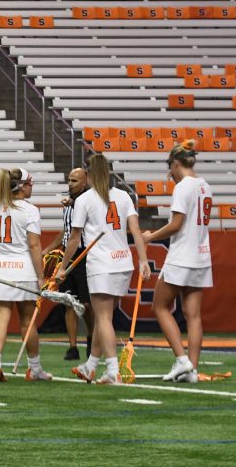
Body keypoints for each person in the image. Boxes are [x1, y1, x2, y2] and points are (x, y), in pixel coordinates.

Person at [57, 154, 150, 384]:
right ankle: (90, 366)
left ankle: (111, 370)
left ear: (88, 174)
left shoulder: (85, 200)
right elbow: (136, 231)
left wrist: (62, 267)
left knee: (103, 317)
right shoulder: (124, 196)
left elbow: (73, 238)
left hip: (101, 264)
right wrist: (143, 260)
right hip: (123, 263)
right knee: (102, 318)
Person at [142, 140, 212, 384]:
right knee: (193, 315)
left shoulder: (183, 187)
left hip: (182, 255)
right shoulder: (205, 186)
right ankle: (192, 368)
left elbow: (176, 224)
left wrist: (151, 236)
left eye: (170, 167)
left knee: (160, 307)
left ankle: (182, 360)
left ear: (176, 163)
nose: (169, 174)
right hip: (202, 255)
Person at [0, 168, 52, 382]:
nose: (32, 186)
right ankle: (35, 368)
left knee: (0, 319)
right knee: (27, 320)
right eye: (30, 182)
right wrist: (41, 277)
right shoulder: (30, 210)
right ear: (21, 186)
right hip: (23, 269)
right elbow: (34, 244)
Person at [41, 167, 93, 361]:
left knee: (87, 303)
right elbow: (66, 232)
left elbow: (78, 233)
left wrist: (73, 203)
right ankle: (72, 346)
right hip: (67, 254)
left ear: (84, 182)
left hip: (84, 254)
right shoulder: (68, 203)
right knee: (68, 301)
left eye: (74, 181)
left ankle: (90, 338)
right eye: (69, 180)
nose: (70, 184)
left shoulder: (88, 201)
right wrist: (47, 249)